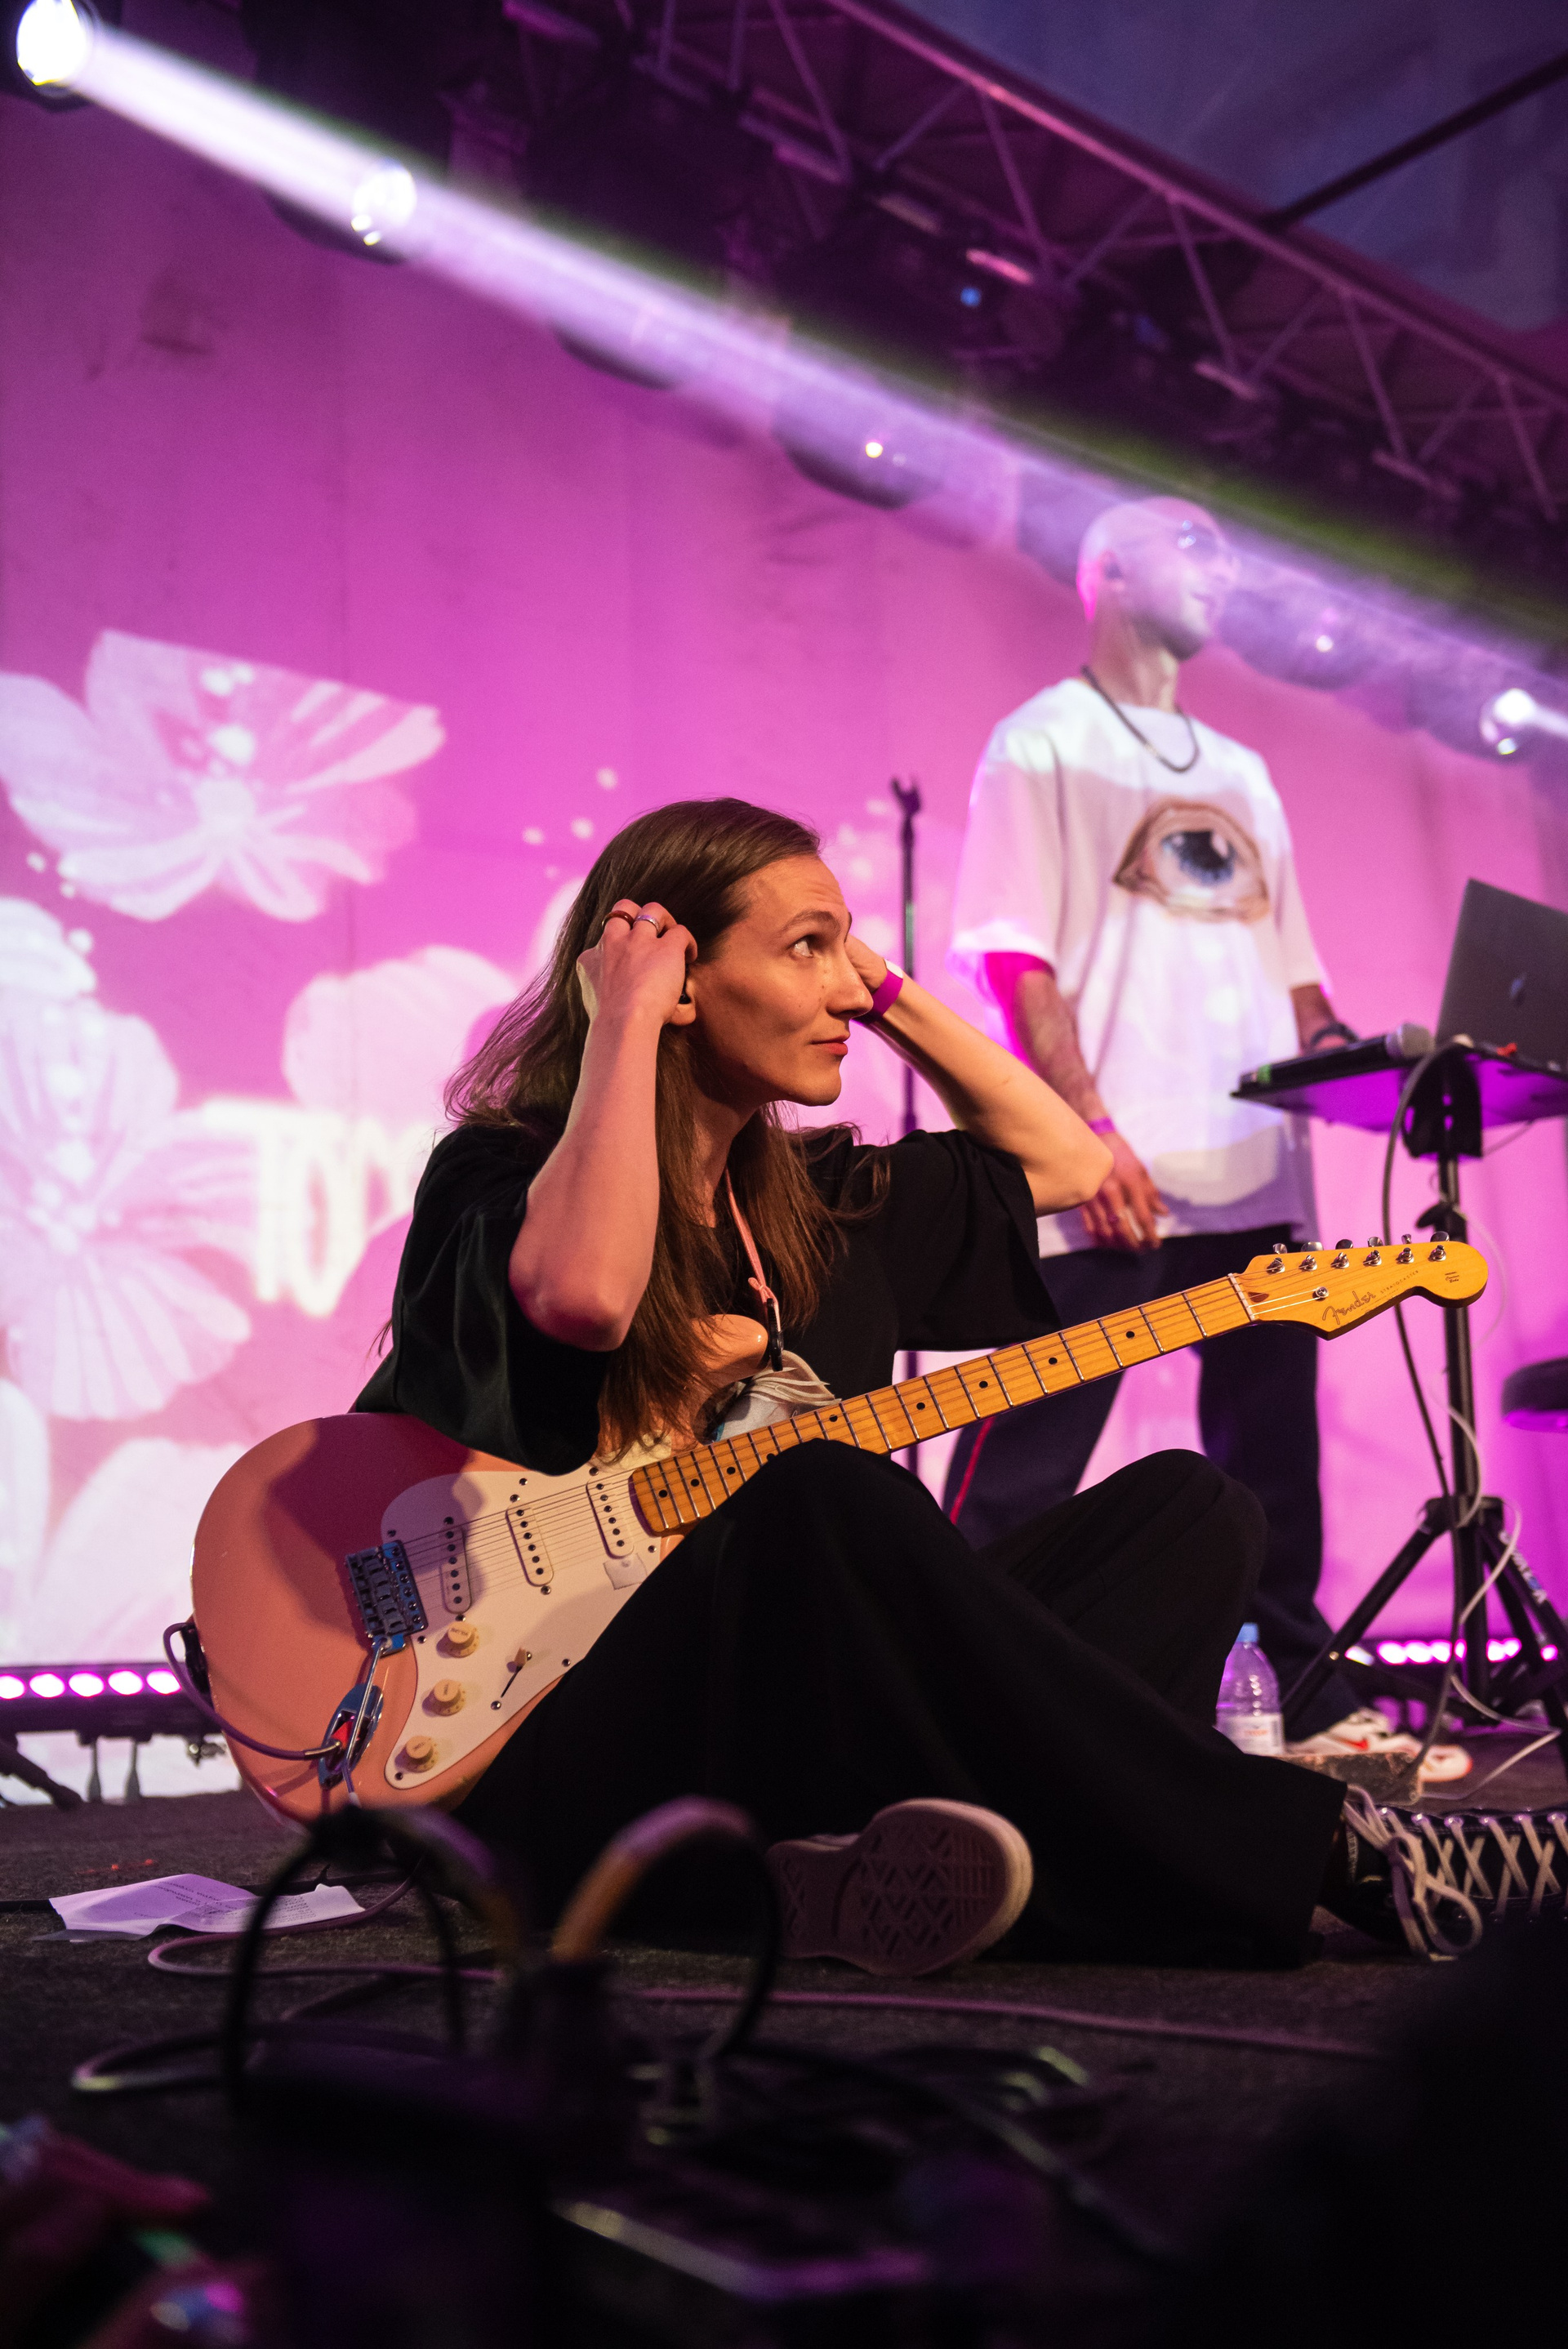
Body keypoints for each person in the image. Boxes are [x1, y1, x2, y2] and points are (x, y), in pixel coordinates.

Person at [358, 798, 1551, 1968]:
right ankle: (1339, 1858)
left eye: (848, 951)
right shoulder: (501, 1177)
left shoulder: (820, 1209)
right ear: (675, 977)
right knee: (822, 1489)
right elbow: (585, 1299)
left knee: (1196, 1513)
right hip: (562, 1755)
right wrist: (620, 1020)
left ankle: (862, 1866)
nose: (843, 989)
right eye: (805, 948)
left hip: (789, 1738)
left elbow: (1069, 1163)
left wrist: (886, 989)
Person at [942, 495, 1417, 1764]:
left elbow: (1296, 970)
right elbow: (1013, 954)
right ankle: (949, 1703)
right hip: (1115, 1162)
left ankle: (1297, 1702)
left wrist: (1363, 1063)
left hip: (1260, 1169)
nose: (1222, 565)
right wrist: (1085, 1132)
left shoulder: (1245, 773)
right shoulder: (1041, 740)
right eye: (1191, 541)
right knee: (1026, 1458)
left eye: (1228, 547)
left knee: (1273, 1467)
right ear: (1106, 569)